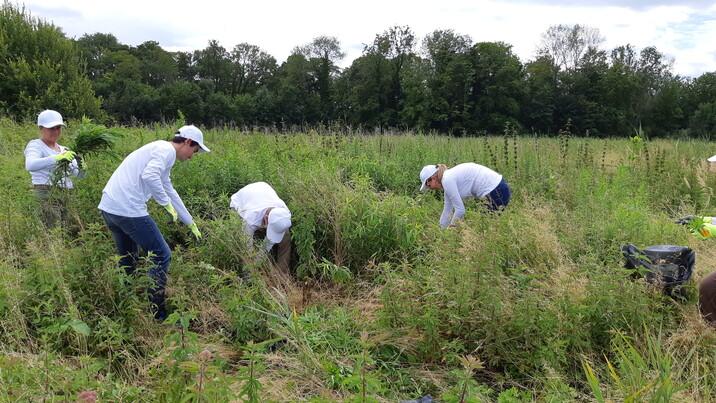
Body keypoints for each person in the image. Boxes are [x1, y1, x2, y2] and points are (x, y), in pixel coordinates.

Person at [98, 125, 209, 321]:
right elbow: (149, 176)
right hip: (128, 209)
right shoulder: (165, 151)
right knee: (162, 253)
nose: (193, 156)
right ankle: (156, 312)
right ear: (188, 142)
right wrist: (165, 205)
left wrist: (190, 222)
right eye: (195, 150)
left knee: (128, 259)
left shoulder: (161, 152)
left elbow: (169, 189)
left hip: (110, 208)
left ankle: (126, 307)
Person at [24, 110, 86, 228]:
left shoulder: (65, 149)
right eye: (51, 128)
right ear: (41, 128)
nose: (56, 131)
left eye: (58, 128)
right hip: (47, 192)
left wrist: (82, 167)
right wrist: (57, 158)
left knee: (69, 230)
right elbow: (30, 165)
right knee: (53, 230)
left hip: (67, 194)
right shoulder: (36, 145)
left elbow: (78, 175)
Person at [419, 163, 511, 228]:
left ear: (432, 178)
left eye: (428, 186)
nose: (429, 189)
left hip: (497, 191)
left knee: (483, 229)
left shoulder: (447, 180)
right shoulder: (447, 178)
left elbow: (460, 210)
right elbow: (447, 209)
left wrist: (450, 231)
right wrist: (441, 230)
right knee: (486, 228)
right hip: (499, 188)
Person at [230, 182, 292, 272]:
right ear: (266, 218)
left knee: (285, 236)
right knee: (244, 245)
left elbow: (267, 244)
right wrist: (253, 268)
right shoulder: (249, 219)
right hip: (240, 200)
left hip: (263, 189)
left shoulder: (284, 212)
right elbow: (247, 251)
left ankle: (281, 273)